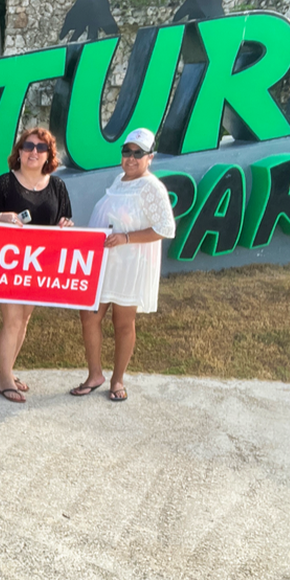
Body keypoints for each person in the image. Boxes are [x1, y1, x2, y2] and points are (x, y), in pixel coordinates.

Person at [71, 128, 175, 402]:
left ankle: (117, 380)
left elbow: (165, 228)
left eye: (138, 153)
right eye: (127, 151)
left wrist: (126, 238)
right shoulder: (119, 180)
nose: (131, 158)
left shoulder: (152, 187)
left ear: (150, 157)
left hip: (131, 265)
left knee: (123, 322)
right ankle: (95, 374)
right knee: (89, 316)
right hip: (105, 262)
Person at [0, 127, 74, 403]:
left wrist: (66, 224)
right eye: (28, 146)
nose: (34, 152)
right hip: (8, 264)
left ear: (49, 155)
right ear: (19, 152)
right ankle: (5, 380)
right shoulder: (4, 183)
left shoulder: (58, 187)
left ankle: (6, 371)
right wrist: (0, 217)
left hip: (39, 267)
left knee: (23, 319)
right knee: (12, 320)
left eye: (41, 147)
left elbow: (65, 220)